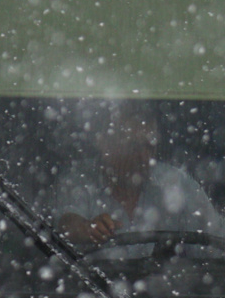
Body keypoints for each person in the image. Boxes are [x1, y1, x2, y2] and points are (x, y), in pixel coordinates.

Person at [52, 104, 225, 249]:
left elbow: (217, 245)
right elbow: (66, 225)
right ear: (104, 144)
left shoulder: (178, 184)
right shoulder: (79, 179)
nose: (144, 158)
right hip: (94, 288)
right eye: (133, 146)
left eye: (150, 147)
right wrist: (87, 229)